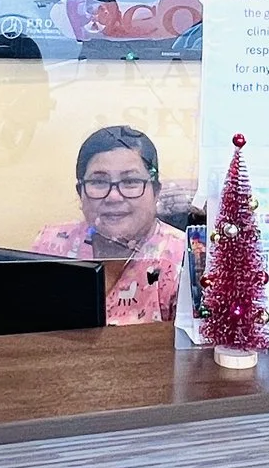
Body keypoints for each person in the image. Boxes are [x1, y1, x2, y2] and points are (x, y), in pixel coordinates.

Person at [31, 125, 188, 324]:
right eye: (99, 182)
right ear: (81, 193)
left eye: (130, 181)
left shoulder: (183, 258)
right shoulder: (51, 244)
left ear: (155, 191)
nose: (114, 196)